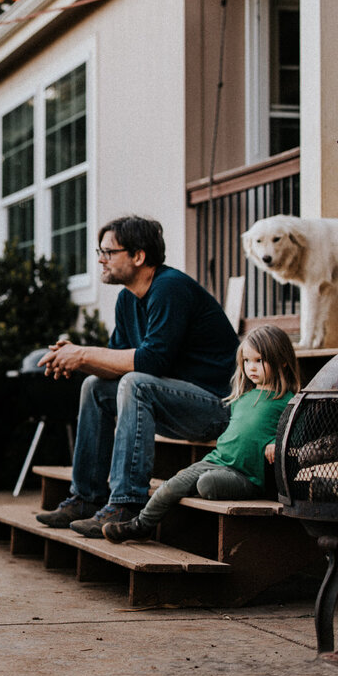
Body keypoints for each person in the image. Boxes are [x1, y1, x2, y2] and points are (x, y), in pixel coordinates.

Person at [35, 216, 239, 538]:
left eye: (108, 252)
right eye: (99, 251)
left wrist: (84, 353)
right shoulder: (128, 299)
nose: (100, 259)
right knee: (94, 386)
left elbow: (150, 362)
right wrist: (76, 361)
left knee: (137, 383)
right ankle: (86, 497)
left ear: (138, 256)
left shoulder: (170, 288)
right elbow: (117, 364)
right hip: (175, 404)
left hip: (217, 407)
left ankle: (126, 503)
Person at [103, 325, 300, 543]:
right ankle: (140, 525)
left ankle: (191, 496)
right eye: (246, 361)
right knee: (171, 485)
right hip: (216, 461)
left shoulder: (287, 401)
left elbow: (296, 436)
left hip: (247, 477)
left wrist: (277, 442)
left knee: (206, 484)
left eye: (259, 360)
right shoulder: (242, 398)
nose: (251, 367)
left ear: (282, 360)